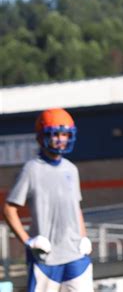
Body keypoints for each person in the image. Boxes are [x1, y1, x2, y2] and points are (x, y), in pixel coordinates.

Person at [3, 108, 94, 292]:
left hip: (76, 256)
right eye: (55, 134)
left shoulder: (71, 169)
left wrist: (84, 237)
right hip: (46, 258)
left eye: (65, 134)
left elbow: (76, 208)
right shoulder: (31, 169)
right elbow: (8, 209)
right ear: (41, 136)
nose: (60, 139)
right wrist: (28, 241)